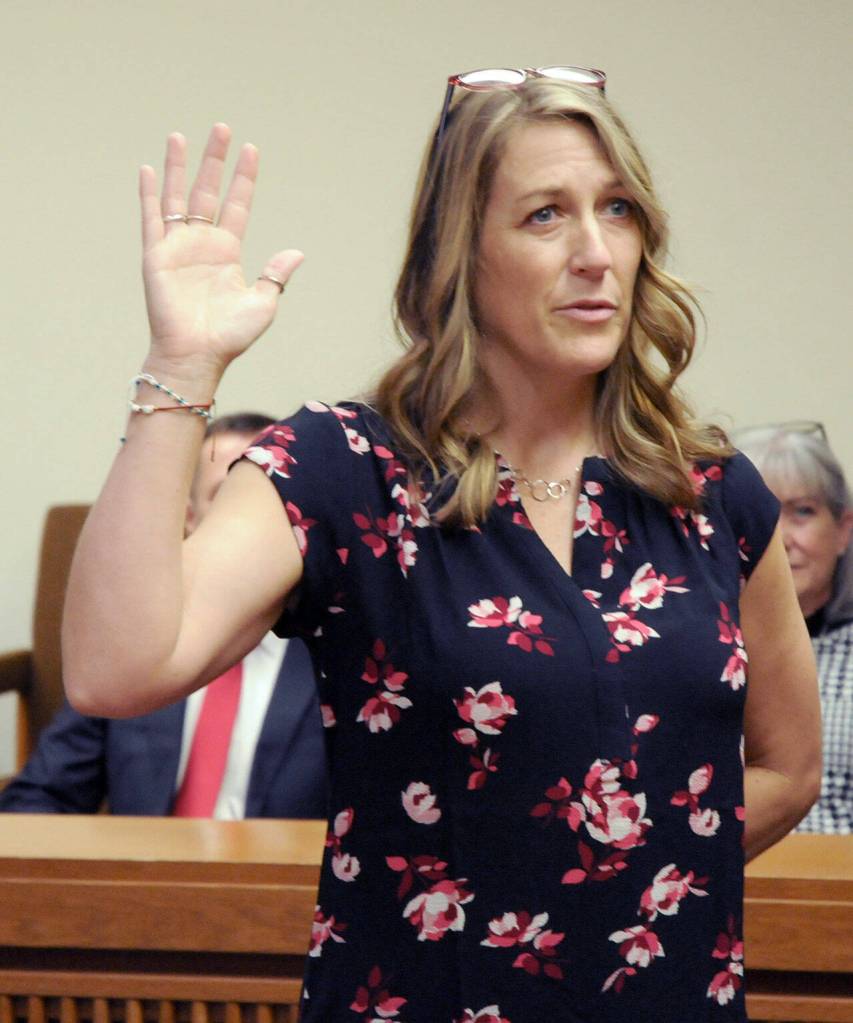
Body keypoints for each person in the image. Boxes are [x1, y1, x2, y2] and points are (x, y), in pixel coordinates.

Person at [63, 67, 821, 1021]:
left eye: (616, 208)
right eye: (544, 215)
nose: (595, 251)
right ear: (459, 253)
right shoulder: (344, 468)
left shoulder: (708, 491)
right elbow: (112, 667)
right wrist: (180, 368)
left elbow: (787, 765)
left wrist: (624, 880)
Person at [2, 414, 327, 819]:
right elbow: (41, 799)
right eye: (229, 500)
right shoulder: (133, 641)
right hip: (145, 874)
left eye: (275, 506)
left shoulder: (346, 648)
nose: (256, 527)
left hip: (288, 878)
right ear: (188, 519)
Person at [735, 422, 853, 834]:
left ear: (843, 530)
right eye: (759, 515)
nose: (780, 538)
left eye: (802, 511)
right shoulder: (695, 655)